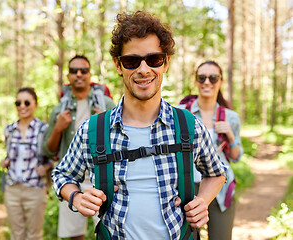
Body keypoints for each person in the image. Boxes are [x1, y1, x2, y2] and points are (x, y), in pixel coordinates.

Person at [52, 11, 227, 239]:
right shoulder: (93, 130)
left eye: (153, 59)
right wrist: (76, 197)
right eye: (132, 61)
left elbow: (216, 173)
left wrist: (201, 202)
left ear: (165, 63)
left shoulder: (188, 126)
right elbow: (62, 175)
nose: (143, 70)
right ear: (118, 65)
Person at [43, 55, 115, 240]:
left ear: (90, 74)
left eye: (83, 70)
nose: (79, 74)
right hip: (71, 180)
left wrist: (105, 122)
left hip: (102, 177)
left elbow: (121, 145)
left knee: (109, 232)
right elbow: (48, 150)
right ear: (68, 76)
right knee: (75, 235)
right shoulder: (60, 109)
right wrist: (58, 128)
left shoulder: (106, 104)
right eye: (74, 71)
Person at [177, 60, 243, 240]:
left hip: (221, 188)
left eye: (213, 78)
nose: (207, 82)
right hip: (186, 189)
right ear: (196, 81)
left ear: (220, 82)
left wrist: (231, 136)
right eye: (202, 77)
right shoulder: (181, 113)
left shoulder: (231, 117)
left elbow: (236, 157)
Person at [1, 87, 53, 240]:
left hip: (35, 189)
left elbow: (54, 156)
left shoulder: (45, 129)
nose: (22, 106)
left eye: (26, 102)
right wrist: (5, 162)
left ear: (35, 104)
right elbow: (9, 155)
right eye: (18, 103)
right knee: (16, 235)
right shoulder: (9, 129)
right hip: (12, 189)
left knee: (34, 235)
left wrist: (46, 167)